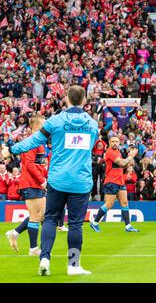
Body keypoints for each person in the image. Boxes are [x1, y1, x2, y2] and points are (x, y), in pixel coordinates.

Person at [9, 85, 99, 276]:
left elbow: (34, 141)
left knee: (50, 219)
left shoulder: (55, 121)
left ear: (67, 99)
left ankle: (44, 259)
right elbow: (89, 147)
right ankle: (73, 266)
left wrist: (12, 149)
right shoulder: (92, 124)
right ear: (84, 101)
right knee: (75, 224)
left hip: (57, 179)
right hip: (80, 181)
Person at [5, 114, 47, 256]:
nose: (46, 128)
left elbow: (38, 164)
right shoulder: (32, 142)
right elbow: (29, 165)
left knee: (42, 216)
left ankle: (15, 233)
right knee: (36, 216)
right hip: (30, 183)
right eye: (43, 125)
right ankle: (33, 249)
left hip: (36, 183)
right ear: (35, 127)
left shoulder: (40, 142)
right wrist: (42, 180)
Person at [90, 136, 140, 233]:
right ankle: (95, 222)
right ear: (109, 142)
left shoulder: (118, 151)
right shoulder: (110, 152)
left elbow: (124, 165)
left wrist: (129, 156)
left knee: (124, 202)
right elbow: (121, 163)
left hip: (120, 180)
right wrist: (131, 156)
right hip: (111, 181)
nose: (115, 143)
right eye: (113, 141)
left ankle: (128, 226)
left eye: (116, 141)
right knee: (109, 204)